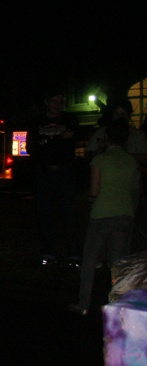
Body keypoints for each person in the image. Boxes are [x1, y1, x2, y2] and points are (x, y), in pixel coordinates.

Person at [70, 118, 140, 315]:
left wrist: (87, 196)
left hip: (102, 213)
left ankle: (83, 304)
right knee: (117, 263)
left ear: (107, 137)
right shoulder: (130, 160)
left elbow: (94, 190)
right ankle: (118, 307)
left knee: (90, 260)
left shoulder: (100, 160)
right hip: (125, 213)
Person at [26, 89, 83, 267]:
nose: (57, 105)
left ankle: (74, 254)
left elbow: (70, 145)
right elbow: (32, 148)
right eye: (54, 101)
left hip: (64, 172)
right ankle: (48, 252)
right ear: (46, 102)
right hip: (43, 172)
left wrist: (47, 143)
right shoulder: (37, 122)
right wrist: (58, 140)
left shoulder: (70, 120)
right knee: (44, 214)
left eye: (60, 101)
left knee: (69, 215)